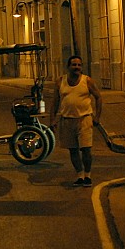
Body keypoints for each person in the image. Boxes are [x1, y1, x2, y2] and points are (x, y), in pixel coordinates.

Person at [50, 55, 102, 187]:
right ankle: (79, 175)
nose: (76, 67)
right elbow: (55, 102)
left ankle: (88, 175)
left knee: (86, 150)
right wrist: (52, 120)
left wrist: (97, 117)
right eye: (74, 65)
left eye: (79, 65)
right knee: (73, 150)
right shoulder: (60, 81)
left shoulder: (87, 81)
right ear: (68, 67)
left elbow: (98, 97)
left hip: (84, 119)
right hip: (67, 120)